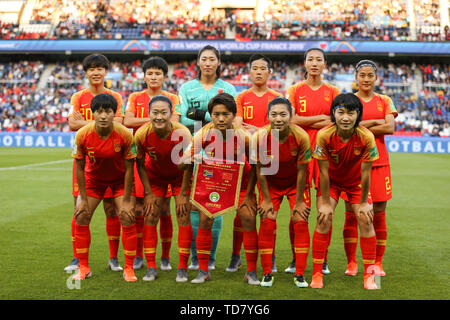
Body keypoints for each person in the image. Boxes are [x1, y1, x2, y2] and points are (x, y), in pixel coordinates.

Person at [179, 92, 259, 285]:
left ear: (234, 114)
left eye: (226, 114)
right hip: (215, 186)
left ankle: (251, 272)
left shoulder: (244, 136)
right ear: (211, 115)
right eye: (216, 114)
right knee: (205, 219)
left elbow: (257, 165)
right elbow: (181, 162)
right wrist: (192, 158)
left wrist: (249, 195)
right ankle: (204, 271)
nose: (221, 119)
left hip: (240, 186)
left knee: (248, 218)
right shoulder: (203, 133)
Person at [311, 93, 379, 290]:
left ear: (358, 115)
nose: (346, 118)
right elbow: (323, 172)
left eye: (351, 113)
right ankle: (317, 274)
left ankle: (370, 276)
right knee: (324, 218)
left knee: (366, 219)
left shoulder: (366, 136)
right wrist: (324, 203)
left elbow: (366, 174)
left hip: (356, 183)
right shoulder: (324, 135)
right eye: (341, 112)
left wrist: (365, 201)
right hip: (330, 182)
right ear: (334, 113)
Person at [178, 45, 237, 271]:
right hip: (193, 148)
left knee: (215, 202)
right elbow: (182, 117)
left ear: (218, 62)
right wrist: (209, 119)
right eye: (204, 59)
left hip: (220, 150)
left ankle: (209, 258)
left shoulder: (228, 88)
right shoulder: (187, 88)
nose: (208, 63)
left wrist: (199, 117)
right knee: (194, 203)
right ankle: (196, 257)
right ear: (198, 62)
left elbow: (231, 117)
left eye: (212, 59)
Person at [65, 54, 125, 273]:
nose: (96, 72)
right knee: (79, 208)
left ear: (106, 71)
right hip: (85, 160)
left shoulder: (116, 96)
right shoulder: (77, 97)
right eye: (91, 68)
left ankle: (113, 258)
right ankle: (76, 257)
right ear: (86, 72)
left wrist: (86, 122)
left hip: (111, 160)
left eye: (100, 68)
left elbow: (119, 122)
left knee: (112, 210)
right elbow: (72, 123)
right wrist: (101, 122)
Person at [71, 93, 137, 282]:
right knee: (81, 215)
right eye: (99, 111)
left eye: (107, 111)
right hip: (94, 182)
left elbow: (129, 169)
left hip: (119, 182)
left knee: (127, 216)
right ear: (92, 113)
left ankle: (129, 268)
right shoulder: (82, 134)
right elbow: (80, 167)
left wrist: (125, 201)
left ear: (113, 113)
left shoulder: (124, 134)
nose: (103, 116)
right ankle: (83, 267)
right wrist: (82, 198)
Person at [285, 48, 340, 274]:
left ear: (325, 64)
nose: (314, 63)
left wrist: (307, 122)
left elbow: (337, 120)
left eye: (319, 59)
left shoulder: (334, 91)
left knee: (324, 208)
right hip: (300, 154)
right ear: (304, 63)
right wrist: (321, 119)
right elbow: (292, 118)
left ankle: (322, 258)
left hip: (326, 154)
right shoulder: (295, 89)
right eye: (310, 59)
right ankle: (295, 258)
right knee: (299, 209)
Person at [123, 57, 181, 271]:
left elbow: (175, 122)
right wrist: (155, 120)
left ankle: (165, 257)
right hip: (141, 157)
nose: (154, 77)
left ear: (165, 77)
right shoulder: (135, 97)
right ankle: (139, 255)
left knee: (164, 209)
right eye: (150, 73)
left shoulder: (173, 97)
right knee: (140, 209)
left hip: (166, 158)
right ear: (144, 76)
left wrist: (150, 120)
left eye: (158, 73)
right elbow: (127, 121)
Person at [342, 60, 397, 276]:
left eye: (370, 75)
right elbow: (345, 128)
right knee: (350, 214)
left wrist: (363, 125)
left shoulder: (385, 100)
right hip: (354, 164)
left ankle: (377, 262)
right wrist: (376, 124)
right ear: (356, 77)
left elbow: (390, 127)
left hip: (379, 163)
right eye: (362, 75)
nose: (366, 79)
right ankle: (351, 262)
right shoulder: (349, 101)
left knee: (380, 214)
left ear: (376, 78)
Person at [228, 54, 283, 273]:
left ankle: (271, 256)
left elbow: (280, 127)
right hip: (246, 159)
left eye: (263, 68)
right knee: (243, 209)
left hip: (271, 159)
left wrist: (257, 130)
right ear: (249, 73)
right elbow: (238, 126)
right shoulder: (241, 97)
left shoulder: (277, 97)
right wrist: (263, 131)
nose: (259, 72)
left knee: (269, 209)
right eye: (255, 68)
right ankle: (235, 255)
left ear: (269, 73)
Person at [252, 97, 311, 287]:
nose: (278, 119)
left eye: (283, 114)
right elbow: (260, 169)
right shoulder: (260, 136)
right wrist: (267, 200)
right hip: (271, 185)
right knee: (268, 221)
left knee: (300, 221)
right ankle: (267, 273)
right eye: (274, 114)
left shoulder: (301, 136)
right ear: (267, 116)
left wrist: (300, 201)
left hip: (297, 184)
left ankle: (300, 273)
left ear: (291, 116)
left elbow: (303, 171)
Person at [134, 95, 193, 282]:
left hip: (179, 177)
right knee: (150, 214)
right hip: (156, 178)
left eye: (163, 112)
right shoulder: (141, 134)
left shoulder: (182, 132)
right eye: (155, 112)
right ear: (149, 113)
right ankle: (151, 266)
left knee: (183, 214)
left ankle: (182, 267)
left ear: (171, 114)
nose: (159, 117)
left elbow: (190, 163)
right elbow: (140, 164)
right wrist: (148, 193)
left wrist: (184, 192)